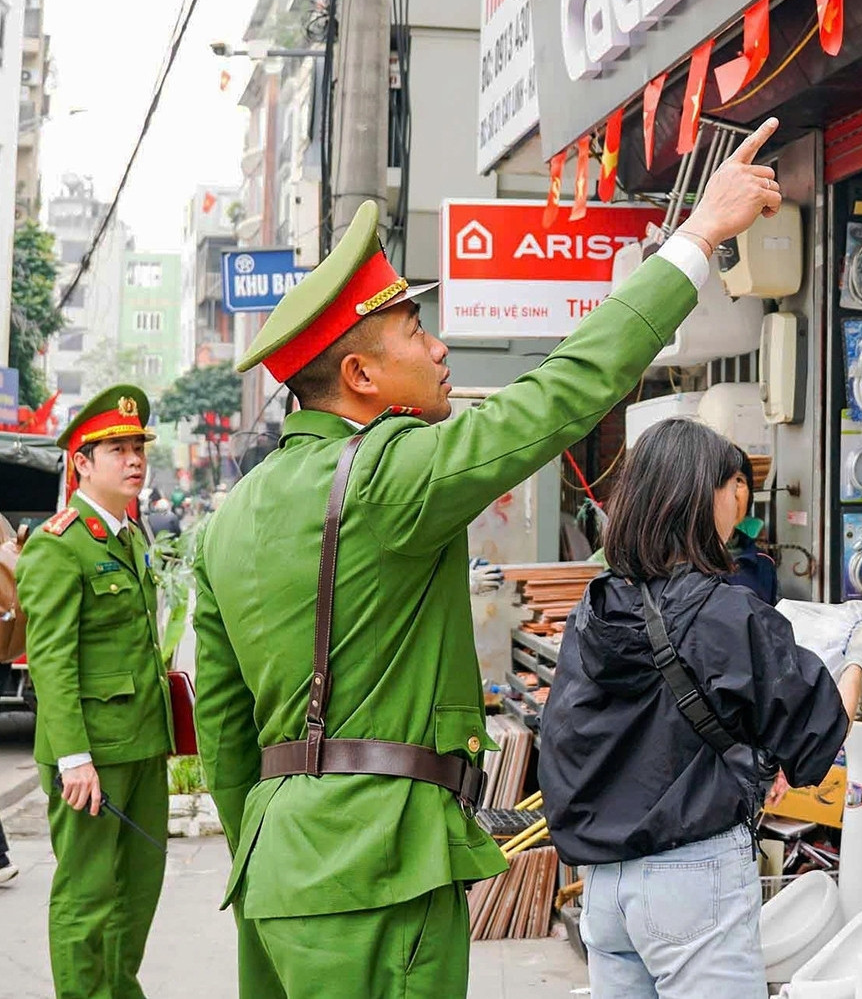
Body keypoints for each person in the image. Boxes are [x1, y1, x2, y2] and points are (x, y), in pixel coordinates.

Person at [190, 118, 785, 999]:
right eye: (413, 329)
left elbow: (226, 735)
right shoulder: (387, 474)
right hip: (380, 866)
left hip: (278, 869)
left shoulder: (225, 521)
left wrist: (273, 851)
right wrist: (699, 236)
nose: (438, 348)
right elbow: (563, 389)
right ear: (359, 375)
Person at [538, 418, 862, 999]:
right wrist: (857, 657)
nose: (738, 508)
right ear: (704, 497)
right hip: (690, 883)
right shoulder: (725, 611)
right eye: (735, 490)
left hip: (603, 890)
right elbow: (822, 726)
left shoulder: (595, 607)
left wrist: (746, 765)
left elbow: (609, 737)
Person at [16, 384, 173, 999]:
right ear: (82, 462)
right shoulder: (60, 546)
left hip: (141, 746)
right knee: (86, 898)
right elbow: (51, 660)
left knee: (136, 896)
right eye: (117, 449)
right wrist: (74, 757)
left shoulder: (130, 539)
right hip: (92, 756)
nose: (134, 460)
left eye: (138, 447)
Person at [724, 444, 781, 604]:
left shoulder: (762, 562)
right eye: (720, 481)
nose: (732, 491)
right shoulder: (677, 563)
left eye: (739, 480)